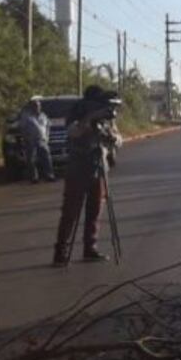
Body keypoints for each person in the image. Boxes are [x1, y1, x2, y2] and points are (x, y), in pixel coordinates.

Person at [52, 86, 118, 266]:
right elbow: (73, 132)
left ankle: (90, 248)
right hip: (78, 169)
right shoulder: (78, 114)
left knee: (95, 210)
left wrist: (111, 136)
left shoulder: (105, 118)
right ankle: (61, 252)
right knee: (70, 212)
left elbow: (117, 140)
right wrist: (88, 120)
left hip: (98, 169)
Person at [20, 99, 54, 184]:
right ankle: (34, 177)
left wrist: (47, 137)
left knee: (47, 158)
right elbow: (22, 128)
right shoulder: (26, 116)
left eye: (38, 105)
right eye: (35, 105)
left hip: (42, 140)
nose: (37, 107)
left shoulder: (44, 116)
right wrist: (26, 138)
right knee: (31, 160)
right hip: (31, 140)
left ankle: (49, 175)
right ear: (31, 107)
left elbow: (48, 127)